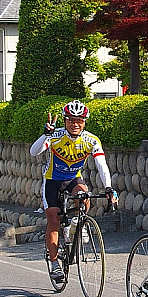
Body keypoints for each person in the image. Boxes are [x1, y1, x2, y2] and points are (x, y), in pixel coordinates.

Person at [29, 100, 118, 282]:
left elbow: (102, 164)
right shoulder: (55, 136)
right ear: (64, 120)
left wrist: (108, 187)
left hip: (72, 179)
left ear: (85, 122)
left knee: (84, 195)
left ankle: (78, 224)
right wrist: (45, 135)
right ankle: (55, 264)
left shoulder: (91, 140)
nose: (75, 124)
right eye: (70, 120)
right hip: (52, 180)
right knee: (53, 220)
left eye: (79, 120)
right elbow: (33, 152)